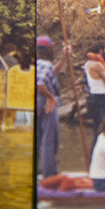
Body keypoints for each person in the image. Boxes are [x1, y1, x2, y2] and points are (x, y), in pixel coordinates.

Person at [36, 36, 68, 178]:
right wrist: (50, 97)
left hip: (37, 101)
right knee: (50, 139)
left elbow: (51, 73)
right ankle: (49, 175)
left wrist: (64, 57)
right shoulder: (46, 64)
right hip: (45, 101)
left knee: (39, 137)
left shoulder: (38, 63)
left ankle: (39, 171)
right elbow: (40, 83)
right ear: (48, 49)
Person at [84, 41, 105, 153]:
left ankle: (96, 159)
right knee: (104, 131)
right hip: (99, 100)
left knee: (98, 132)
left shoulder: (88, 63)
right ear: (101, 51)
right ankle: (100, 157)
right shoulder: (96, 65)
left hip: (94, 98)